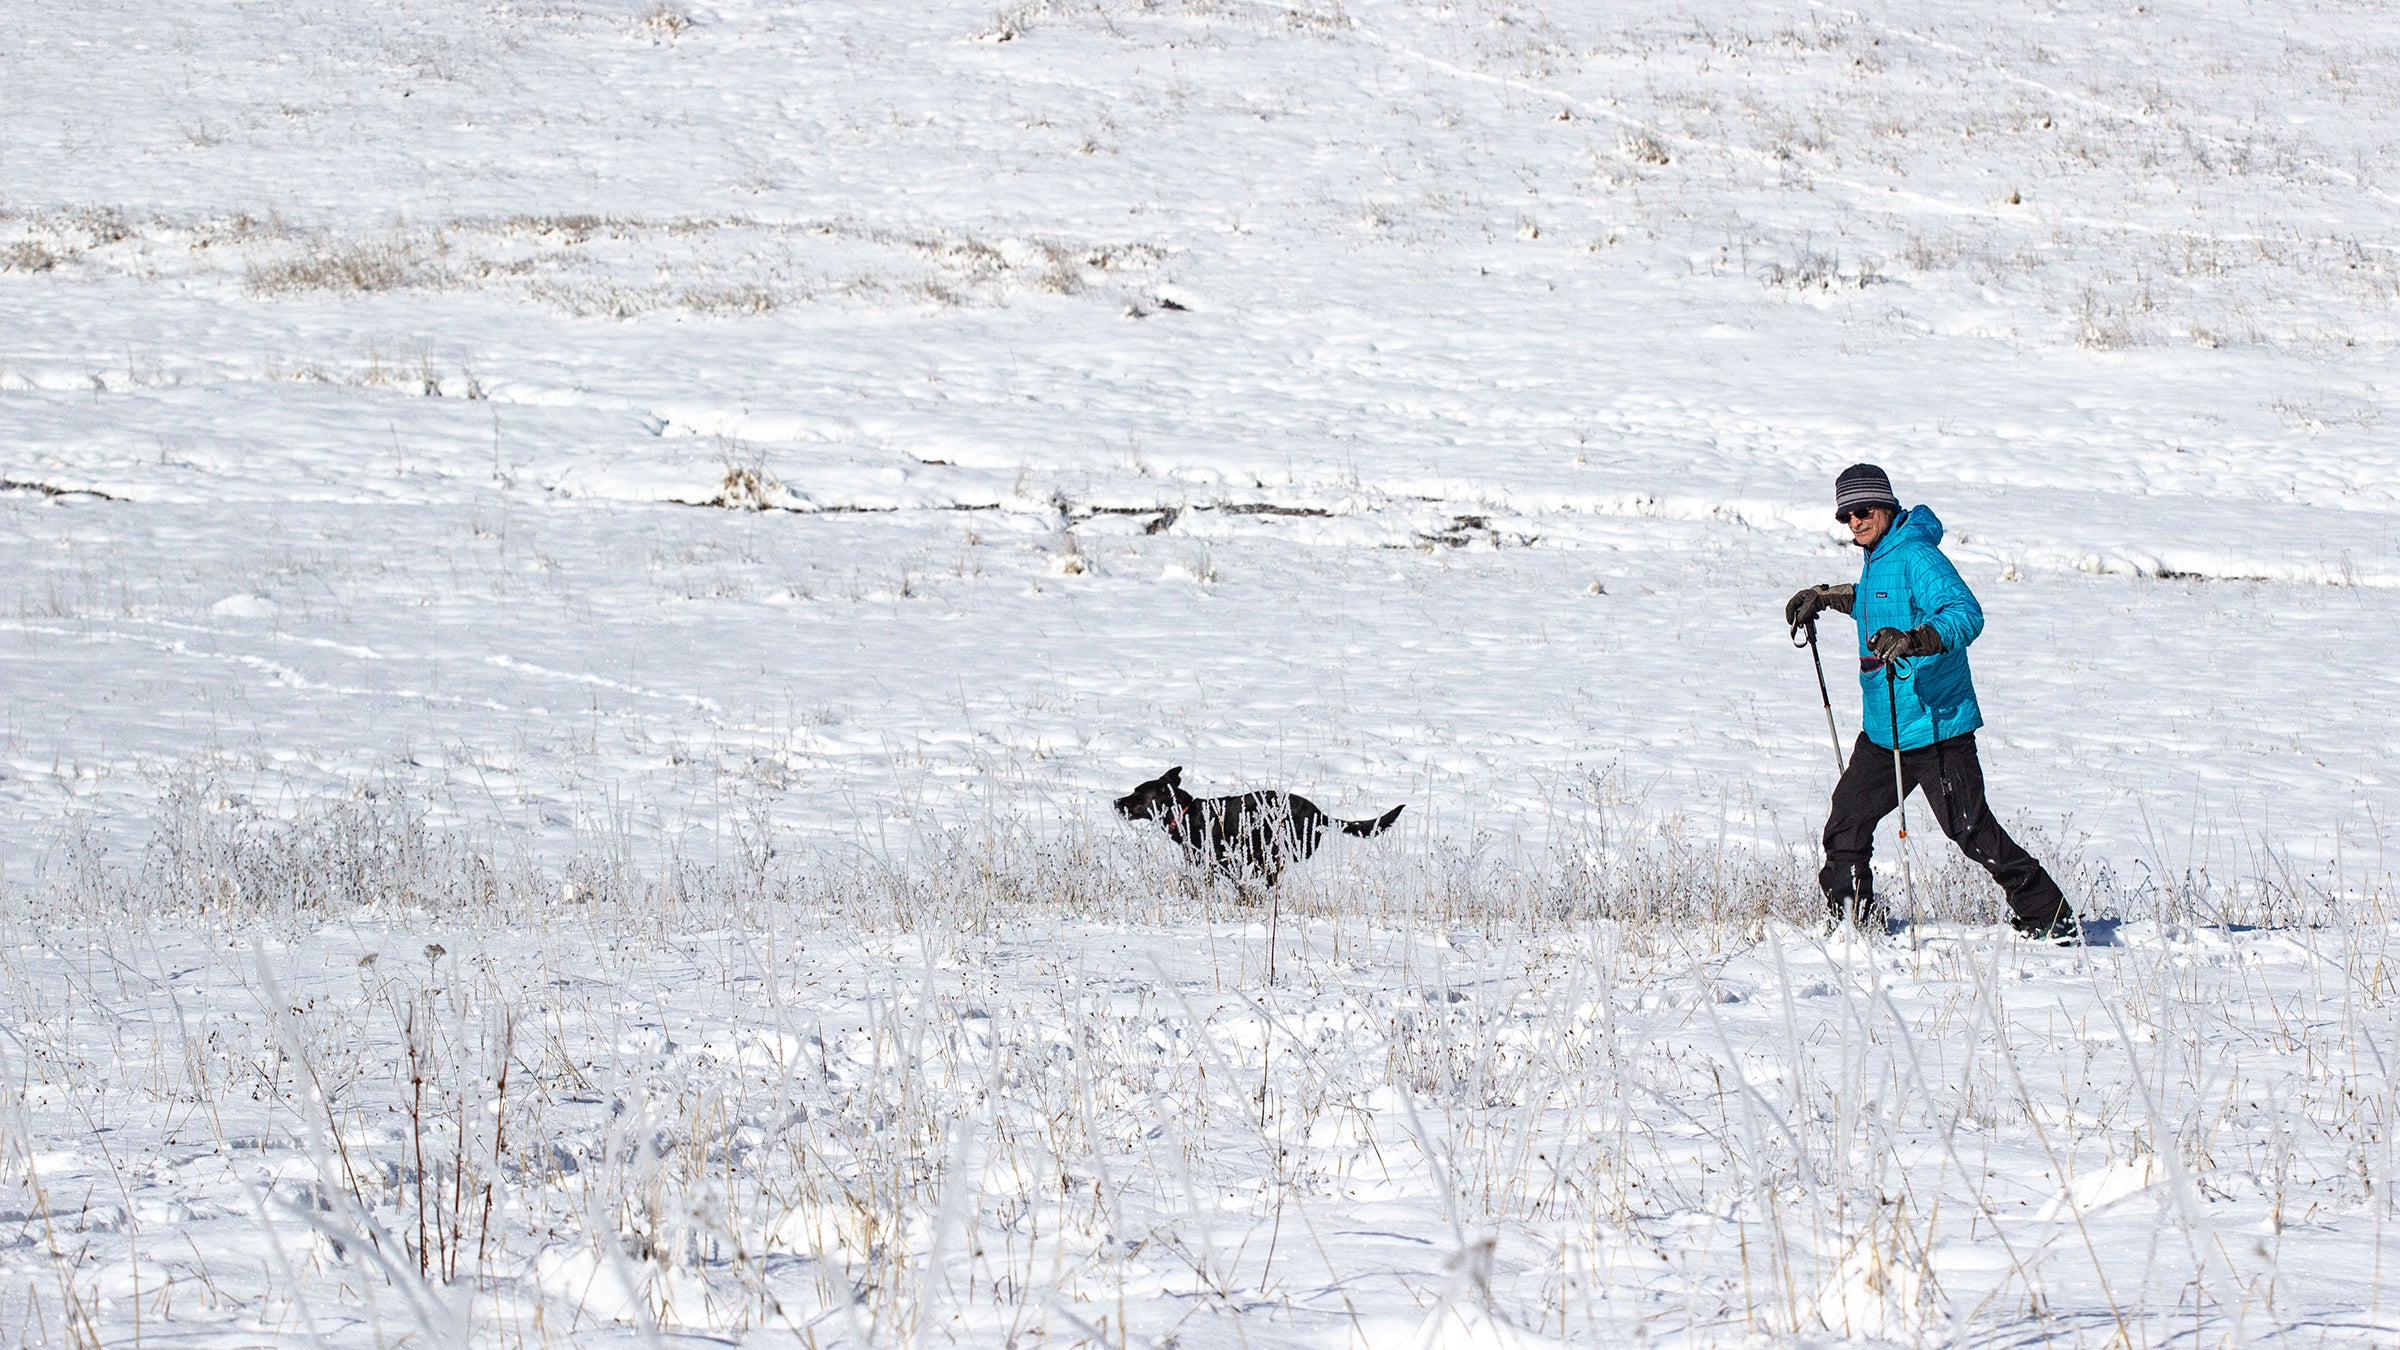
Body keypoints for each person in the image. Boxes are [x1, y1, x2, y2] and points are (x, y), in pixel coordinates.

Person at [1784, 464, 2077, 941]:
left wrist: (1917, 639)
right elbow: (1880, 602)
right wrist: (1829, 597)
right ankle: (1853, 924)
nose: (1855, 521)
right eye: (1845, 515)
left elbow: (1966, 613)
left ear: (1886, 506)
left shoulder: (1918, 555)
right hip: (1886, 730)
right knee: (1846, 824)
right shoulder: (1879, 556)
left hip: (1936, 727)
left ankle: (2050, 916)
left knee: (1970, 830)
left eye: (1863, 510)